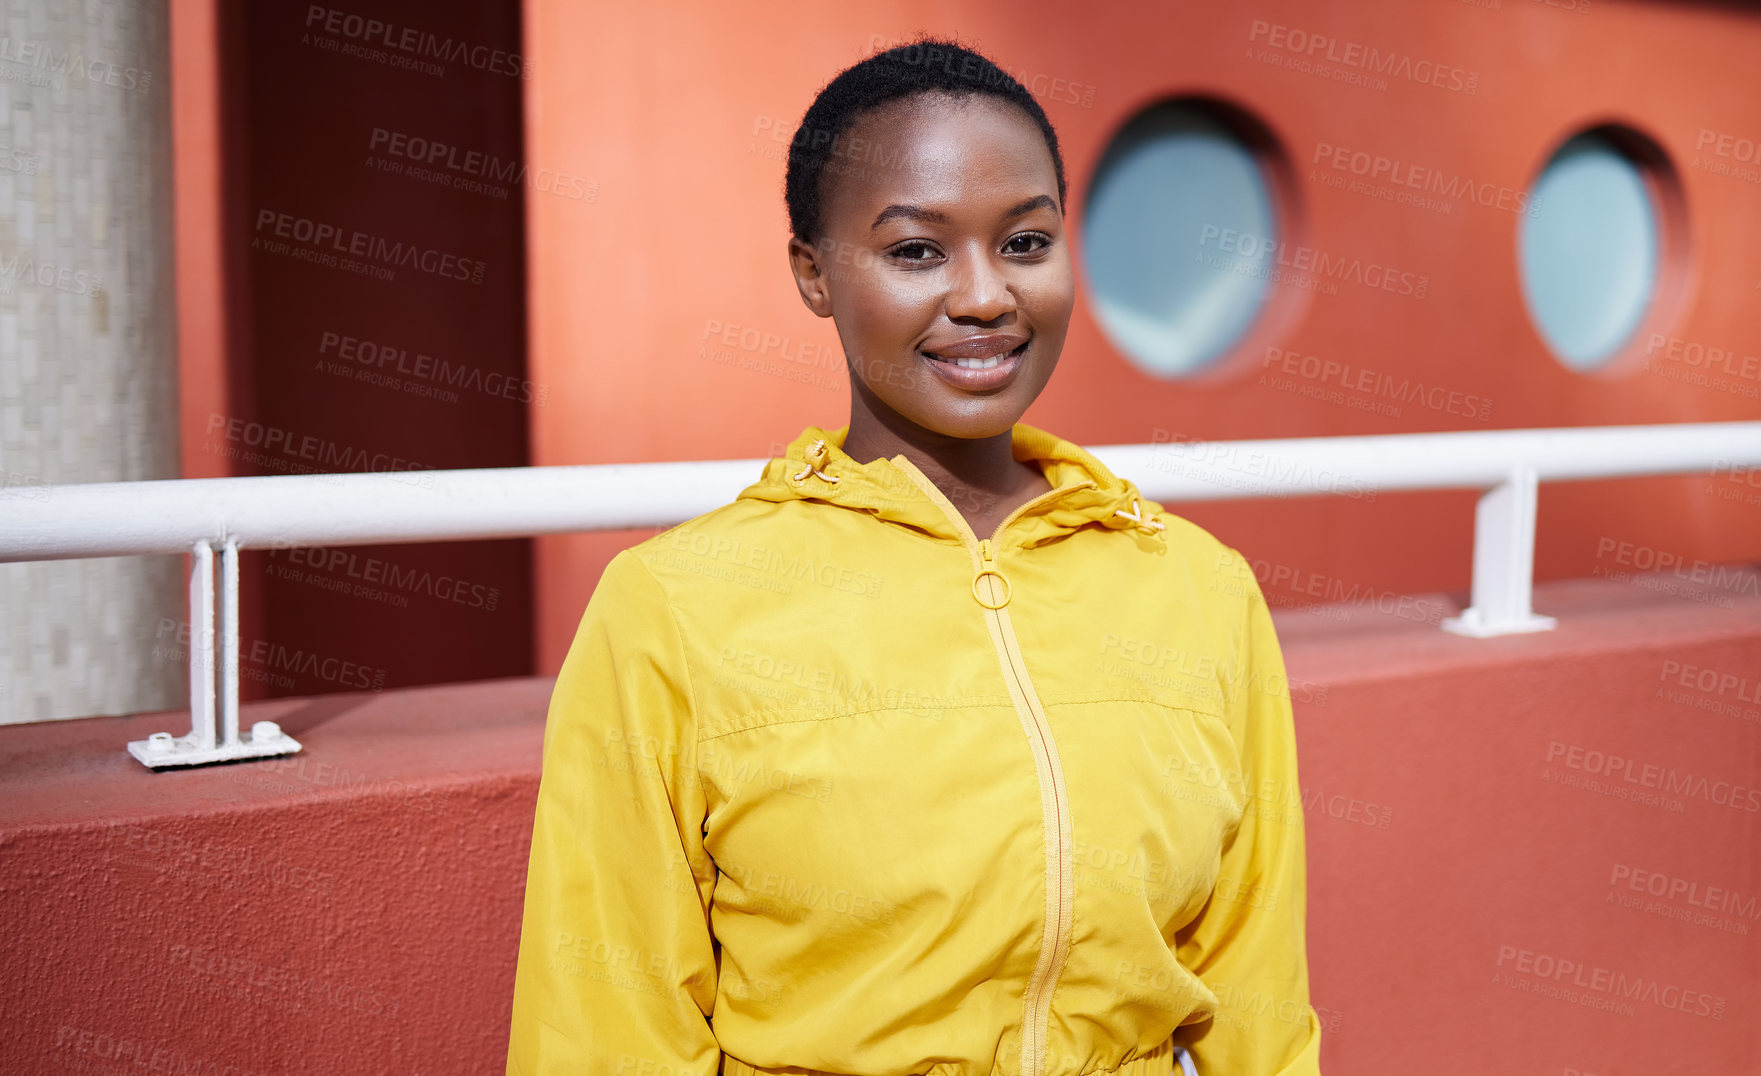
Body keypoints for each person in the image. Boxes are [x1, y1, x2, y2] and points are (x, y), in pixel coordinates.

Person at [508, 37, 1321, 1076]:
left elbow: (1261, 1004)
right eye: (917, 251)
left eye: (1025, 242)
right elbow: (602, 1031)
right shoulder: (673, 607)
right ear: (814, 271)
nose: (985, 296)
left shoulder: (1200, 588)